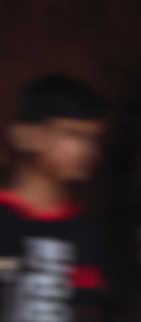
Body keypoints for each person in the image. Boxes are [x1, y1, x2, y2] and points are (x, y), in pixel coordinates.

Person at [0, 74, 111, 322]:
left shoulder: (86, 231)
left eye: (94, 139)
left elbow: (89, 309)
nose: (88, 150)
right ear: (25, 135)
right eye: (73, 134)